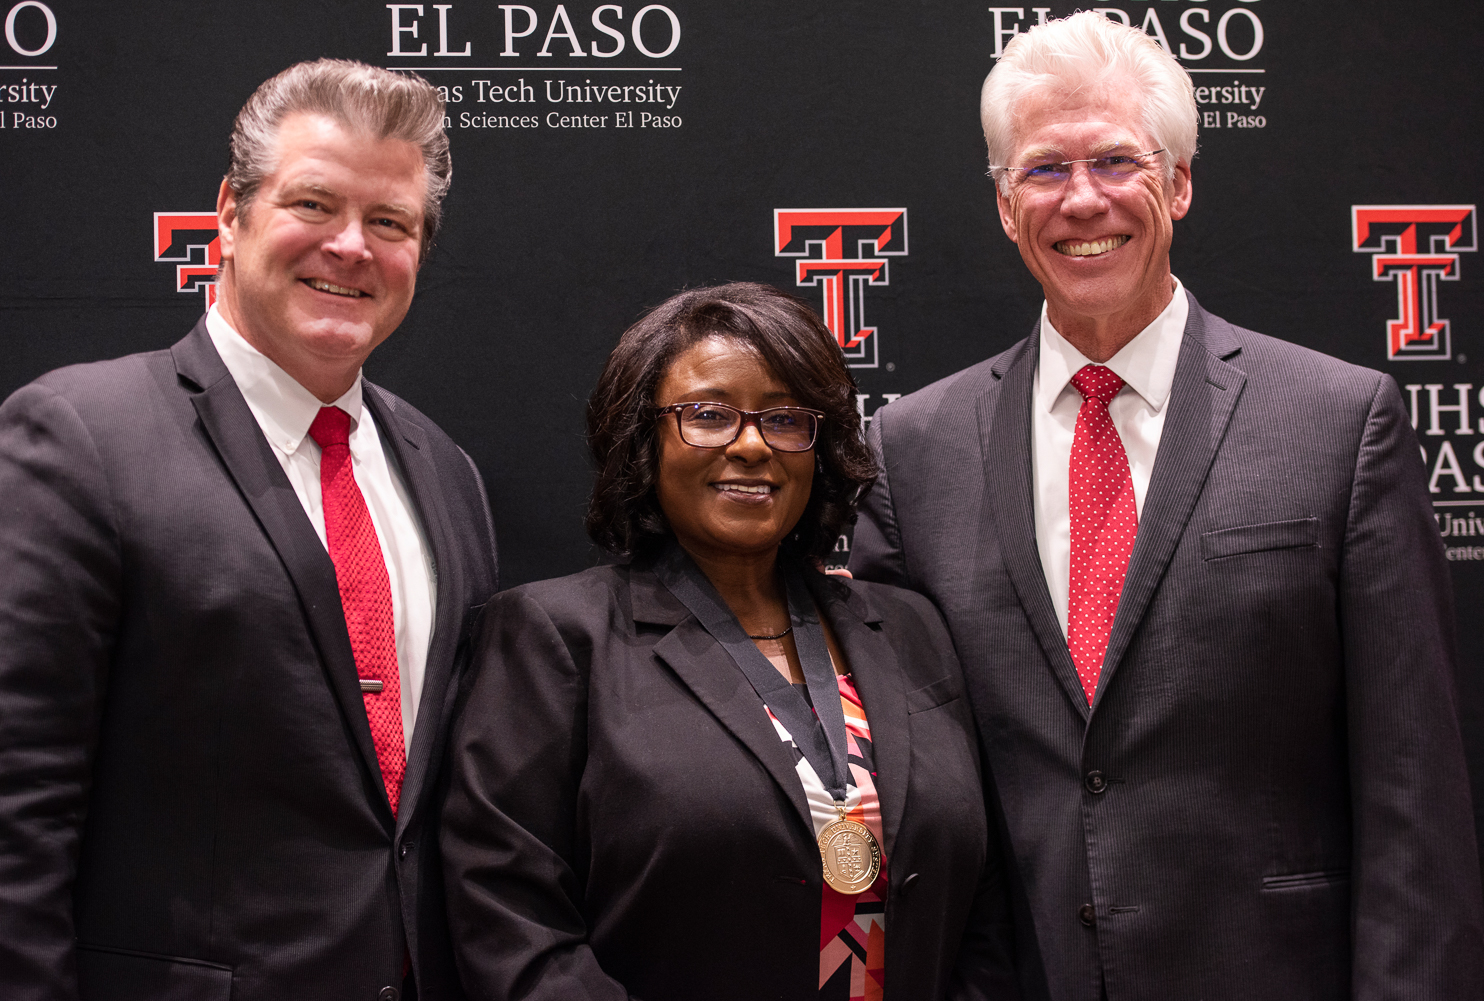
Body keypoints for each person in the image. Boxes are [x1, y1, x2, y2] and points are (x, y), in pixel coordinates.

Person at [848, 12, 1484, 1000]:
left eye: (1116, 160)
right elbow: (906, 783)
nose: (1083, 199)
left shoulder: (1336, 421)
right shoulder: (912, 451)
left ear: (1180, 182)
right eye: (1045, 170)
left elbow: (1416, 793)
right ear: (1006, 206)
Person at [0, 60, 498, 999]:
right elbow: (7, 811)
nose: (351, 246)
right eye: (314, 204)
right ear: (230, 210)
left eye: (390, 223)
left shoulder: (444, 471)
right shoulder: (79, 436)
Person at [442, 283, 1017, 1000]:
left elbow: (985, 901)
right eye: (708, 415)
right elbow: (510, 919)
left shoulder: (910, 629)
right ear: (642, 439)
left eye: (784, 418)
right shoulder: (556, 639)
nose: (751, 445)